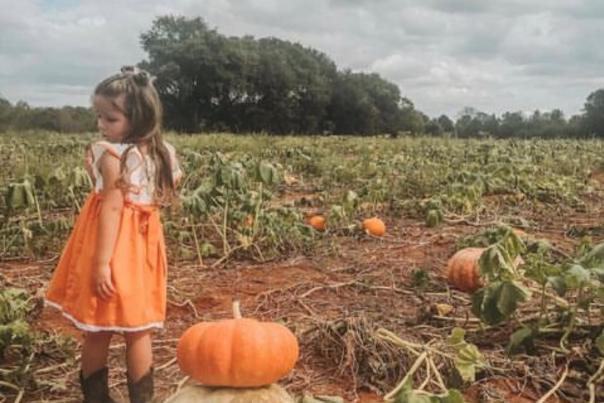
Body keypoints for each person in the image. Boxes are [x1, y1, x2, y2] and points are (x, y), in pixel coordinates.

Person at [45, 66, 183, 403]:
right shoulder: (164, 153)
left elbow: (111, 209)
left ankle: (97, 399)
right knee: (139, 330)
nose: (101, 125)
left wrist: (102, 263)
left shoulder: (110, 154)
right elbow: (167, 190)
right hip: (144, 249)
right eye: (99, 117)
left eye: (110, 119)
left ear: (139, 118)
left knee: (98, 329)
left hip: (110, 245)